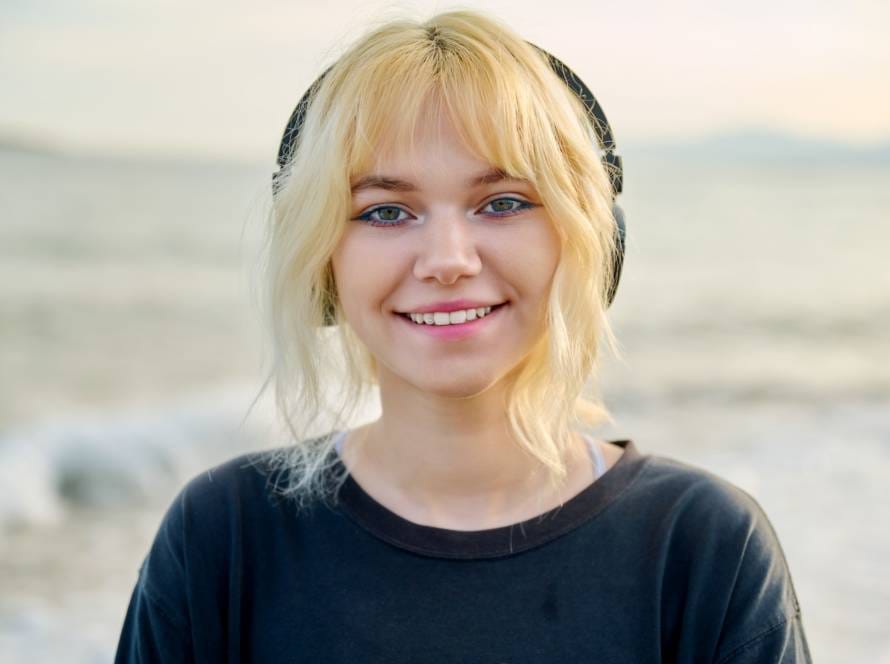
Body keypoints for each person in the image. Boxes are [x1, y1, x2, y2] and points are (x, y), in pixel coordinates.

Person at [114, 9, 812, 663]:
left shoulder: (700, 544)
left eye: (502, 203)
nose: (449, 259)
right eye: (386, 212)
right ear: (323, 260)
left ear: (586, 240)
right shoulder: (225, 535)